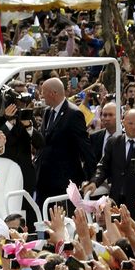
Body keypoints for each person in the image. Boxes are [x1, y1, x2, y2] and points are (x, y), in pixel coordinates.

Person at [83, 109, 135, 220]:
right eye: (130, 123)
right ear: (123, 123)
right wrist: (94, 182)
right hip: (116, 200)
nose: (133, 127)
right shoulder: (113, 142)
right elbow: (103, 167)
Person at [34, 77, 97, 208]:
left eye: (43, 92)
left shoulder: (73, 114)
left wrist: (92, 178)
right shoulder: (47, 112)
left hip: (63, 180)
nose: (41, 96)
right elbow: (44, 141)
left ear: (53, 93)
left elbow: (85, 147)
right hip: (44, 179)